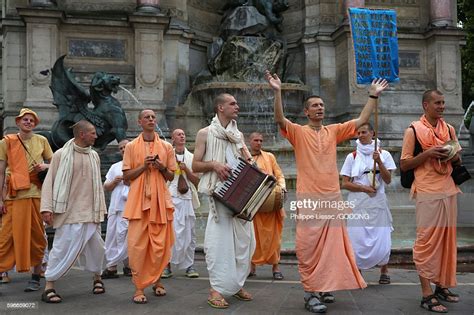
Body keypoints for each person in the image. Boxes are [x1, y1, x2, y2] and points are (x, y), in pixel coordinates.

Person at [265, 71, 388, 313]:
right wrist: (277, 92)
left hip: (332, 197)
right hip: (310, 198)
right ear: (306, 112)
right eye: (314, 105)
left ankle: (324, 286)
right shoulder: (298, 132)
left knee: (331, 246)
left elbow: (362, 120)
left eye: (322, 104)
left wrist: (373, 95)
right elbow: (280, 119)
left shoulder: (333, 131)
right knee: (309, 246)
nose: (320, 108)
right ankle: (310, 293)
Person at [400, 89, 462, 313]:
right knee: (426, 242)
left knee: (446, 241)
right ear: (426, 105)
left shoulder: (449, 129)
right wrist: (428, 154)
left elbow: (458, 159)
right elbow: (405, 164)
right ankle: (426, 294)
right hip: (427, 190)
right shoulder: (413, 130)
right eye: (437, 103)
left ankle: (441, 286)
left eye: (443, 103)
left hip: (448, 189)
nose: (442, 106)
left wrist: (450, 154)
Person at [193, 93, 255, 309]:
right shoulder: (205, 133)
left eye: (236, 103)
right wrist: (215, 165)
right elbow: (195, 165)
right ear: (220, 107)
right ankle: (216, 290)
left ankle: (236, 285)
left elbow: (248, 161)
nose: (237, 106)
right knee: (220, 246)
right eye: (232, 103)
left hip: (241, 196)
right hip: (219, 195)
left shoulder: (238, 134)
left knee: (244, 243)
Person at [40, 120, 107, 303]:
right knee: (62, 248)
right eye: (92, 133)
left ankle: (97, 278)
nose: (96, 136)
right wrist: (46, 208)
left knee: (97, 248)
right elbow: (50, 181)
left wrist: (101, 208)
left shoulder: (94, 156)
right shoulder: (61, 154)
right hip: (68, 212)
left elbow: (97, 187)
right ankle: (49, 286)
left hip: (91, 212)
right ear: (82, 134)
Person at [122, 109, 176, 304]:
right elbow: (126, 177)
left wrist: (161, 167)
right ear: (139, 122)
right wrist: (144, 166)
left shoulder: (167, 147)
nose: (151, 119)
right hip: (138, 203)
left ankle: (158, 281)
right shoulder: (130, 147)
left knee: (159, 246)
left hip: (160, 202)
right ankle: (138, 288)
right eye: (147, 117)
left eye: (153, 117)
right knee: (137, 246)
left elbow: (171, 176)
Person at [0, 108, 53, 292]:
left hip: (36, 195)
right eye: (25, 119)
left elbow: (54, 164)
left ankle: (36, 276)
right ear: (18, 122)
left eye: (31, 120)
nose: (28, 122)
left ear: (35, 124)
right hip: (12, 197)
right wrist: (0, 198)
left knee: (38, 238)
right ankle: (2, 272)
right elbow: (1, 172)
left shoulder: (42, 141)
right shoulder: (6, 142)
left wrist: (44, 166)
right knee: (5, 238)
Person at [340, 123, 396, 284]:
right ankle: (358, 271)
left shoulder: (384, 154)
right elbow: (345, 183)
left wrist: (379, 162)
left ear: (373, 133)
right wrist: (363, 188)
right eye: (358, 133)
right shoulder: (352, 156)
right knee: (356, 237)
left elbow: (387, 179)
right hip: (358, 202)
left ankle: (384, 270)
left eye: (364, 132)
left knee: (382, 236)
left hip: (377, 203)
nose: (361, 135)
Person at [162, 129, 201, 279]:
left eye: (184, 134)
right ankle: (167, 266)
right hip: (170, 198)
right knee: (170, 233)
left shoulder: (192, 158)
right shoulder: (166, 155)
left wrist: (186, 170)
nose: (182, 136)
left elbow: (198, 182)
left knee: (189, 233)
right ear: (172, 138)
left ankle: (190, 266)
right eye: (178, 134)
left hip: (187, 199)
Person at [247, 132, 286, 280]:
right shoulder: (245, 158)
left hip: (271, 203)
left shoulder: (269, 157)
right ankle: (252, 267)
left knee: (275, 238)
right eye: (256, 140)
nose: (259, 143)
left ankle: (276, 268)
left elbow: (279, 174)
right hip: (254, 205)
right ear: (249, 141)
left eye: (261, 140)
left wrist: (281, 187)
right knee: (253, 237)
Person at [102, 139, 132, 279]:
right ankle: (112, 267)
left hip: (130, 208)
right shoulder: (115, 166)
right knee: (113, 236)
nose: (123, 150)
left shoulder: (137, 165)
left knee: (127, 237)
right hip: (115, 206)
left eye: (125, 147)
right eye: (120, 148)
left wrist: (129, 181)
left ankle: (129, 266)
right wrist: (114, 182)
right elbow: (106, 186)